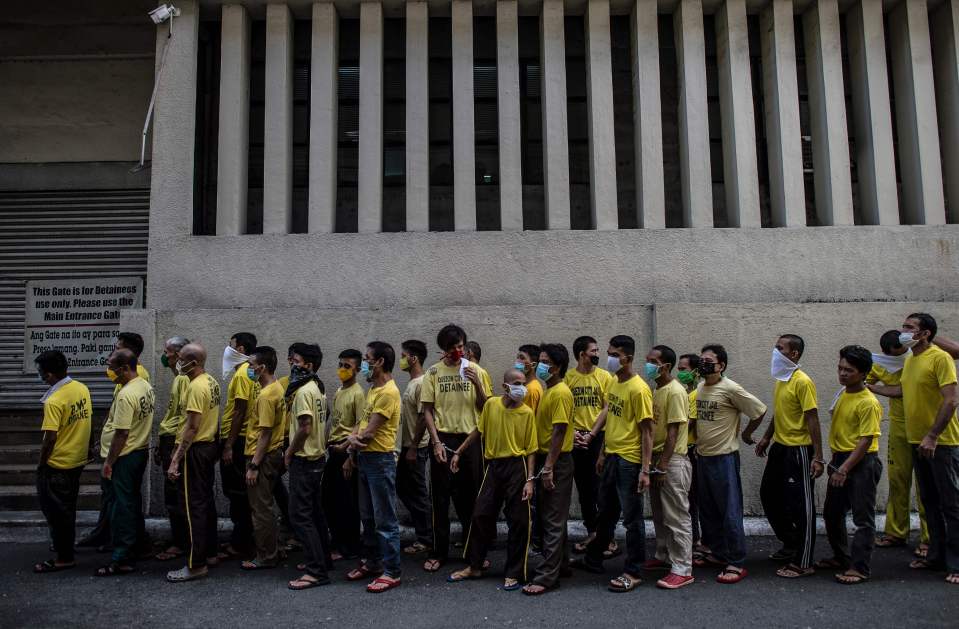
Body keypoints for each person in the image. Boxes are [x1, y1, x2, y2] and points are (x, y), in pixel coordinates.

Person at [873, 313, 959, 584]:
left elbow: (951, 400)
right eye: (903, 327)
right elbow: (902, 391)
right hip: (916, 440)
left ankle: (956, 564)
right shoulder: (911, 359)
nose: (903, 332)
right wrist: (870, 386)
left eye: (909, 328)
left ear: (925, 334)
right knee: (930, 502)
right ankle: (935, 556)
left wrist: (933, 435)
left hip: (940, 443)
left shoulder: (939, 358)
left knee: (951, 505)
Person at [571, 335, 653, 593]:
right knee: (606, 513)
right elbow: (612, 420)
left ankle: (634, 571)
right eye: (608, 353)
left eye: (614, 354)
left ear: (627, 357)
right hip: (612, 456)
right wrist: (603, 453)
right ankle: (594, 559)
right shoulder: (616, 383)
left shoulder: (639, 389)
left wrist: (645, 470)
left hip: (630, 462)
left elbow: (647, 432)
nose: (609, 358)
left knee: (632, 519)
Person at [448, 368, 536, 590]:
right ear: (505, 386)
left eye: (523, 383)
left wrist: (530, 480)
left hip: (517, 467)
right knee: (481, 514)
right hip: (494, 466)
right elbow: (479, 430)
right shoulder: (491, 405)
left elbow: (531, 450)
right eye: (517, 383)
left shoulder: (526, 413)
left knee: (518, 520)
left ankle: (514, 572)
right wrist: (459, 451)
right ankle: (474, 566)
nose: (521, 388)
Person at [421, 324, 493, 572]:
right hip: (443, 438)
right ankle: (438, 551)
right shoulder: (433, 373)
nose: (458, 351)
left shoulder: (476, 371)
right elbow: (427, 410)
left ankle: (473, 552)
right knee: (439, 498)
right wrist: (435, 441)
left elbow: (487, 408)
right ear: (444, 349)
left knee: (472, 498)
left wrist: (478, 385)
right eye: (453, 347)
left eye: (461, 346)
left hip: (471, 440)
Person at [692, 344, 767, 584]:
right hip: (702, 457)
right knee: (709, 511)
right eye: (701, 359)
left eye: (708, 361)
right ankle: (718, 552)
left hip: (724, 459)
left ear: (721, 365)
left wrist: (746, 435)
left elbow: (759, 411)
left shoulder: (731, 388)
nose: (703, 364)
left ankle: (736, 561)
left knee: (730, 512)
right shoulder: (701, 387)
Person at [756, 334, 824, 578]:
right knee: (769, 494)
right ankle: (791, 542)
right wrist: (766, 437)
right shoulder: (781, 379)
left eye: (779, 348)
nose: (775, 352)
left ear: (793, 354)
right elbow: (780, 412)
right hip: (780, 448)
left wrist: (818, 456)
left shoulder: (802, 382)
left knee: (801, 507)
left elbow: (812, 418)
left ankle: (804, 561)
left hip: (799, 450)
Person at [77, 331, 151, 551]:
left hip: (126, 451)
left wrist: (110, 458)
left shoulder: (137, 379)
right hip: (123, 449)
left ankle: (124, 546)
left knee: (122, 500)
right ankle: (108, 535)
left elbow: (124, 428)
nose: (113, 351)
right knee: (116, 498)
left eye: (117, 348)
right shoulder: (128, 380)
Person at [820, 345, 883, 584]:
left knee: (862, 518)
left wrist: (844, 468)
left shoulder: (868, 402)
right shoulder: (843, 393)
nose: (843, 374)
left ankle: (860, 567)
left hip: (860, 463)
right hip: (840, 459)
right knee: (832, 513)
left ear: (864, 373)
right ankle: (841, 557)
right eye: (840, 368)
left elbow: (866, 440)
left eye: (850, 370)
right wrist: (835, 461)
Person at [344, 341, 403, 593]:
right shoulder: (373, 390)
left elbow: (368, 434)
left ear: (379, 362)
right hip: (365, 460)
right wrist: (352, 440)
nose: (365, 363)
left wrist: (351, 440)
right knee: (367, 517)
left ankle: (392, 571)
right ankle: (373, 562)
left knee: (385, 519)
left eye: (368, 359)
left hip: (380, 460)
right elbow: (361, 422)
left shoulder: (389, 392)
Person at [94, 348, 155, 576]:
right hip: (136, 452)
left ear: (124, 368)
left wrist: (109, 462)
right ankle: (136, 545)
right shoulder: (144, 386)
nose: (108, 370)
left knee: (122, 507)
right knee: (129, 502)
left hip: (125, 456)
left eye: (111, 366)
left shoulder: (126, 394)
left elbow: (121, 433)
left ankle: (122, 556)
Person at [868, 330, 928, 557]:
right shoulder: (880, 363)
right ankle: (895, 531)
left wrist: (878, 389)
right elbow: (864, 382)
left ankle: (929, 538)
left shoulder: (918, 359)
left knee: (925, 485)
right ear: (886, 352)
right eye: (895, 353)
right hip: (899, 425)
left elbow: (902, 390)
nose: (901, 355)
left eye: (902, 352)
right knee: (898, 478)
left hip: (923, 425)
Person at [166, 343, 222, 582]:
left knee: (192, 509)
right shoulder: (211, 381)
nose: (177, 362)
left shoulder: (196, 387)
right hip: (207, 448)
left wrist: (176, 459)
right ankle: (209, 553)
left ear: (194, 362)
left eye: (180, 358)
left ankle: (196, 564)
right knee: (204, 503)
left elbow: (191, 428)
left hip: (196, 451)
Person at [33, 350, 92, 574]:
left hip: (57, 465)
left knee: (56, 512)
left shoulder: (54, 400)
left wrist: (41, 464)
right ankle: (64, 546)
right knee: (67, 509)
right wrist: (87, 449)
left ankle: (64, 557)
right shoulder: (81, 388)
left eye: (41, 373)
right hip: (77, 461)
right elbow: (88, 421)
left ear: (48, 375)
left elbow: (50, 438)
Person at [523, 343, 575, 596]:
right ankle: (560, 564)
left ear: (556, 366)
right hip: (549, 458)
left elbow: (559, 431)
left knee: (552, 520)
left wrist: (549, 468)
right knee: (553, 517)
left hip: (557, 460)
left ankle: (546, 577)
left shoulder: (561, 393)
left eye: (543, 361)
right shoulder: (549, 390)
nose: (538, 365)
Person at [644, 345, 695, 589]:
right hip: (657, 459)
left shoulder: (675, 391)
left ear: (665, 366)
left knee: (676, 515)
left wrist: (663, 465)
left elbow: (674, 432)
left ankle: (683, 568)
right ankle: (663, 555)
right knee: (660, 514)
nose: (649, 365)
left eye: (653, 361)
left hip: (672, 461)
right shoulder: (658, 389)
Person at [284, 343, 333, 590]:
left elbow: (305, 428)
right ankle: (322, 561)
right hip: (317, 458)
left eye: (296, 360)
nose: (292, 364)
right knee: (314, 513)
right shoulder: (317, 388)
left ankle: (316, 572)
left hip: (305, 460)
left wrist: (289, 452)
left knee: (300, 516)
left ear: (309, 366)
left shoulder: (304, 392)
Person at [566, 336, 614, 555]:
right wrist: (574, 432)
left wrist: (592, 434)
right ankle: (593, 532)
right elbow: (564, 408)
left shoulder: (604, 377)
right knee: (584, 490)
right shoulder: (568, 378)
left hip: (597, 439)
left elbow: (607, 408)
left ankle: (607, 538)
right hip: (575, 440)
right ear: (581, 354)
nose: (597, 354)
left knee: (600, 489)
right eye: (593, 350)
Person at [241, 346, 286, 570]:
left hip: (263, 456)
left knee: (260, 509)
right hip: (272, 454)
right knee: (266, 505)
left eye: (251, 365)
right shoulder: (276, 388)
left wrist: (254, 465)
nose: (248, 369)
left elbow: (265, 433)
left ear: (262, 367)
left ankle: (266, 556)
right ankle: (275, 549)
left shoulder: (267, 395)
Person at [323, 349, 366, 560]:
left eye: (347, 366)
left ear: (357, 369)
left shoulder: (358, 393)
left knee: (347, 503)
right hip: (334, 450)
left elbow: (359, 426)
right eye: (340, 364)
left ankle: (348, 547)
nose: (342, 369)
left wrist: (351, 457)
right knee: (330, 500)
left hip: (345, 453)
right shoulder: (340, 391)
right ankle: (337, 541)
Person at [219, 332, 258, 558]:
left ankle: (240, 543)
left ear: (241, 350)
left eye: (231, 346)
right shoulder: (249, 371)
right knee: (240, 494)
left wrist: (228, 445)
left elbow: (240, 411)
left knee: (237, 494)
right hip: (241, 439)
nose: (228, 349)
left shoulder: (243, 373)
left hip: (238, 440)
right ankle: (241, 539)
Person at [154, 336, 191, 562]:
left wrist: (176, 452)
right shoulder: (179, 378)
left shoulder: (184, 381)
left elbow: (185, 418)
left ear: (178, 355)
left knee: (175, 495)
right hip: (169, 440)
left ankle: (181, 543)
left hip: (174, 442)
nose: (164, 356)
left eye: (167, 352)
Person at [397, 339, 433, 556]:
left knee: (418, 492)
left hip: (416, 447)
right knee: (403, 487)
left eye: (404, 355)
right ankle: (423, 526)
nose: (401, 359)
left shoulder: (421, 383)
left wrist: (412, 448)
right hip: (407, 446)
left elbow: (423, 417)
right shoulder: (413, 382)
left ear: (414, 358)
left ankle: (426, 538)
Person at [677, 353, 704, 554]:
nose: (680, 373)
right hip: (684, 449)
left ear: (695, 371)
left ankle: (695, 540)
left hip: (691, 449)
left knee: (692, 499)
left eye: (683, 369)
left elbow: (689, 424)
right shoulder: (685, 393)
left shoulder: (696, 395)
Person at [516, 344, 544, 414]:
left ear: (533, 365)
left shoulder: (531, 390)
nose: (517, 361)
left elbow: (525, 420)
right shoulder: (527, 385)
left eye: (522, 358)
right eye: (517, 357)